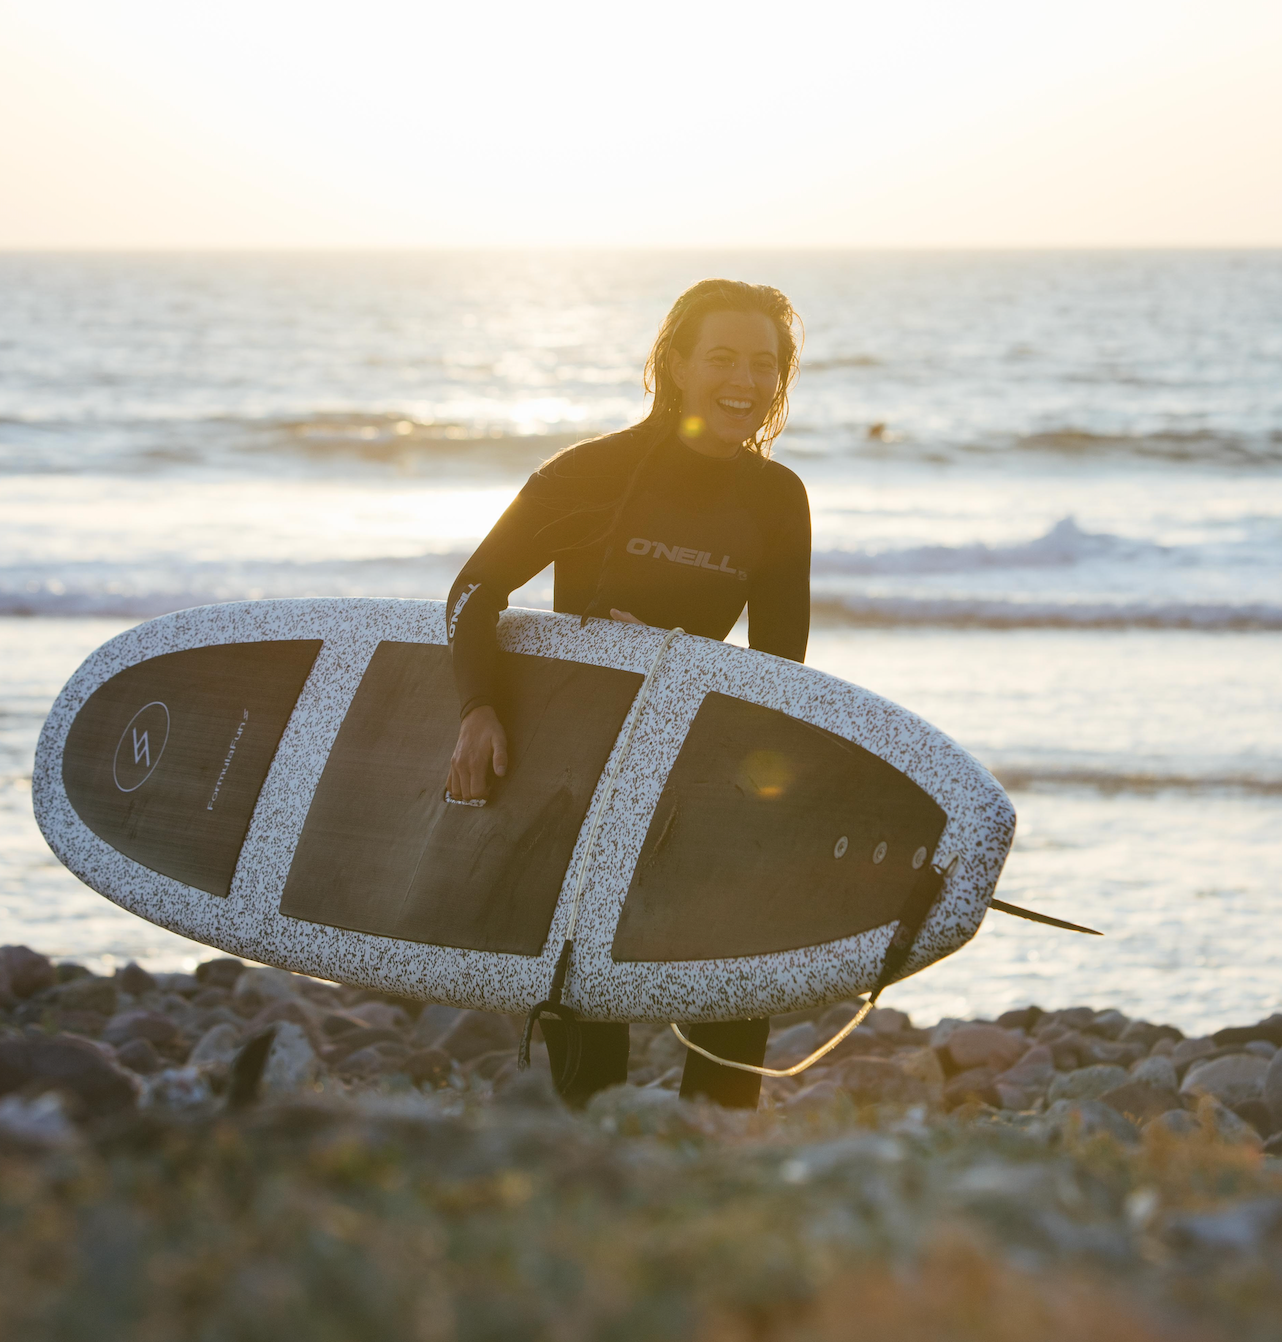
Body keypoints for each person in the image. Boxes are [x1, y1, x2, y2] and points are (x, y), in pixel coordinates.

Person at [445, 278, 811, 1108]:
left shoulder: (778, 500)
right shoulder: (591, 475)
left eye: (764, 363)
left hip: (695, 762)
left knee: (735, 967)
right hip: (578, 770)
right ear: (676, 365)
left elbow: (781, 671)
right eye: (722, 358)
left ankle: (716, 1144)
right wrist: (478, 710)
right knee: (586, 999)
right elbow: (473, 592)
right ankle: (585, 1160)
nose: (745, 382)